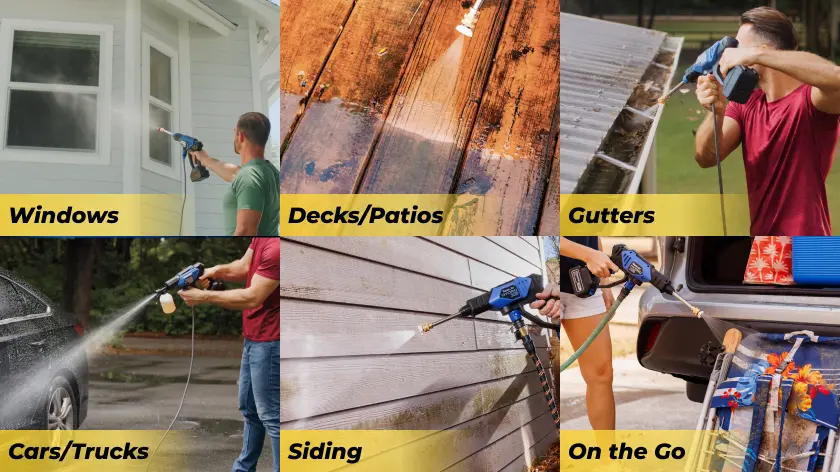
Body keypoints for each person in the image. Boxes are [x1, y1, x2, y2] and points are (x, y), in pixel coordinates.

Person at [694, 6, 840, 236]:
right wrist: (717, 111)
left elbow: (837, 77)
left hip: (813, 244)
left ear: (761, 51)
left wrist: (757, 55)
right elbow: (706, 157)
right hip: (764, 245)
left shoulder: (811, 100)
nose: (731, 55)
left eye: (739, 48)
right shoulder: (746, 105)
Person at [178, 237, 280, 472]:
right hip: (254, 338)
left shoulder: (278, 247)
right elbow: (244, 267)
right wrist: (213, 272)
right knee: (250, 410)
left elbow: (252, 296)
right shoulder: (264, 234)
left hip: (272, 342)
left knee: (273, 417)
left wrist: (204, 296)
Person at [529, 237, 618, 430]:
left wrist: (604, 279)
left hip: (585, 280)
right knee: (548, 365)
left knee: (601, 374)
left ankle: (607, 459)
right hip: (551, 284)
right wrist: (588, 254)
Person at [189, 112, 280, 236]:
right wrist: (206, 159)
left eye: (235, 132)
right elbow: (235, 174)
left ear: (241, 136)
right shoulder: (269, 172)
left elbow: (246, 231)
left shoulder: (249, 177)